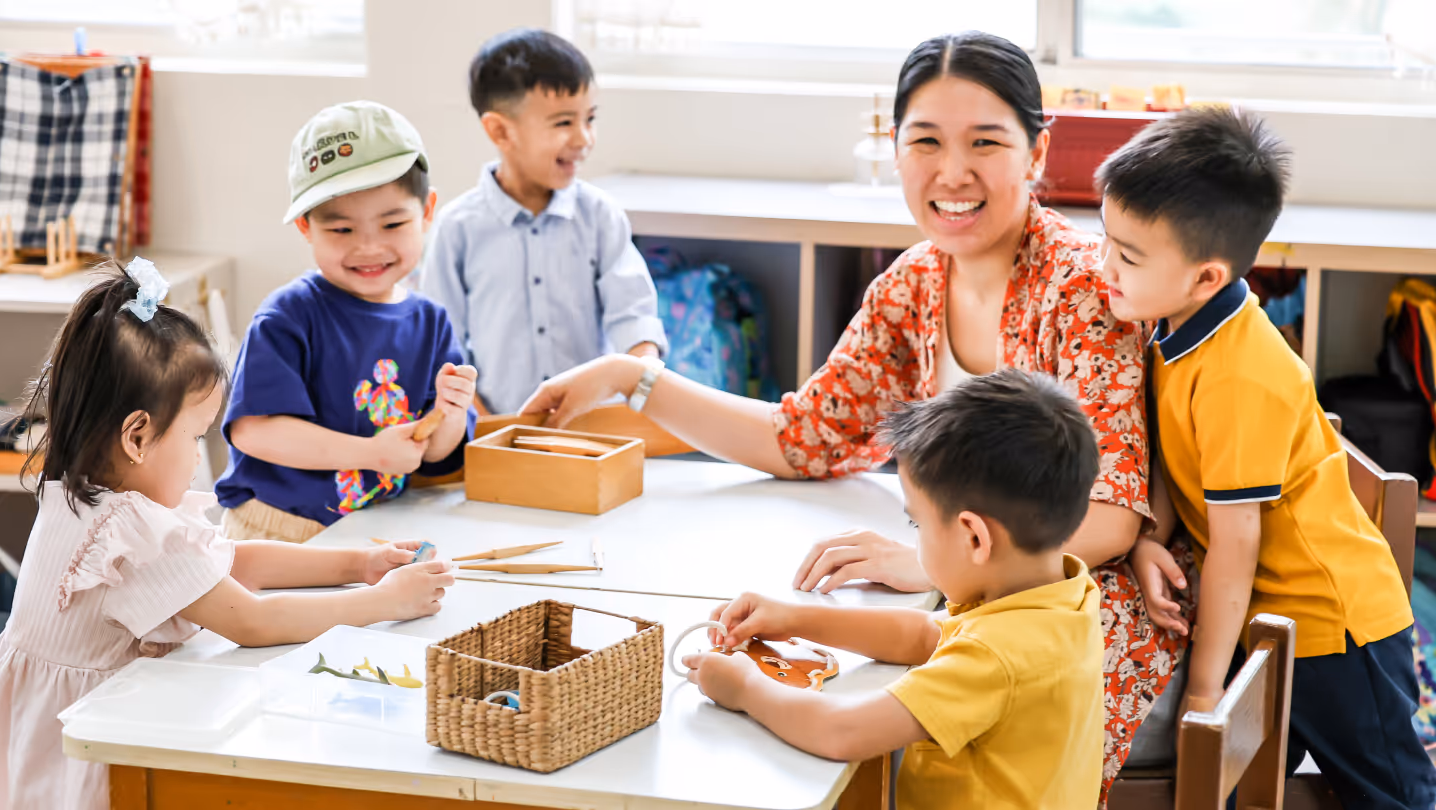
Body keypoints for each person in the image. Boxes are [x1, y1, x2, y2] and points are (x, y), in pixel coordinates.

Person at [523, 31, 1186, 795]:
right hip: (968, 590)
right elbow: (804, 437)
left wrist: (923, 562)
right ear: (894, 148)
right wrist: (632, 378)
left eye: (985, 143)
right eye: (926, 141)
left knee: (830, 738)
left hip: (1084, 611)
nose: (952, 172)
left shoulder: (1079, 289)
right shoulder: (913, 282)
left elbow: (1108, 519)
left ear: (1038, 153)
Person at [0, 263, 454, 809]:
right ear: (137, 437)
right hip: (86, 736)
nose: (197, 458)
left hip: (42, 720)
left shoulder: (81, 490)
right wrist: (381, 603)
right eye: (194, 436)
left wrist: (356, 564)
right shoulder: (133, 531)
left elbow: (232, 561)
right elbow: (252, 621)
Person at [1102, 106, 1436, 809]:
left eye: (1127, 257)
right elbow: (1169, 455)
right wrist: (1150, 536)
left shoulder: (1237, 373)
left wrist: (1204, 686)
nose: (1106, 269)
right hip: (1271, 615)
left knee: (1395, 796)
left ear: (1206, 275)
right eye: (1108, 242)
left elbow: (1237, 539)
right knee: (1239, 784)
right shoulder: (1175, 322)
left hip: (1332, 627)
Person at [685, 369, 1105, 810]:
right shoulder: (1064, 596)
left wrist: (745, 687)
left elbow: (843, 731)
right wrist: (794, 618)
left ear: (975, 538)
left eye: (916, 523)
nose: (914, 537)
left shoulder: (997, 658)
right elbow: (926, 635)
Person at [217, 101, 477, 543]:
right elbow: (253, 430)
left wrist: (449, 414)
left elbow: (433, 452)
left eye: (393, 223)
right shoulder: (289, 316)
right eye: (342, 231)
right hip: (278, 529)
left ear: (427, 211)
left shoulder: (430, 323)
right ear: (306, 226)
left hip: (372, 529)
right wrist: (371, 453)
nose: (369, 248)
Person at [421, 28, 667, 416]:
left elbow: (634, 318)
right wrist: (481, 424)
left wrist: (640, 383)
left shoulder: (600, 217)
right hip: (493, 429)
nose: (584, 138)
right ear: (500, 130)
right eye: (563, 123)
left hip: (589, 430)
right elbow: (440, 345)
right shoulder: (457, 228)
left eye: (590, 118)